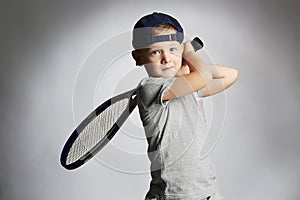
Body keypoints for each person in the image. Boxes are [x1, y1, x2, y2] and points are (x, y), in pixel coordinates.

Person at [131, 12, 238, 200]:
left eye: (172, 49)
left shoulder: (188, 87)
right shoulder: (150, 88)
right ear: (138, 57)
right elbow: (205, 76)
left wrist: (184, 68)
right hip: (172, 195)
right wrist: (188, 53)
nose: (166, 58)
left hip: (208, 192)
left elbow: (230, 75)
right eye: (155, 52)